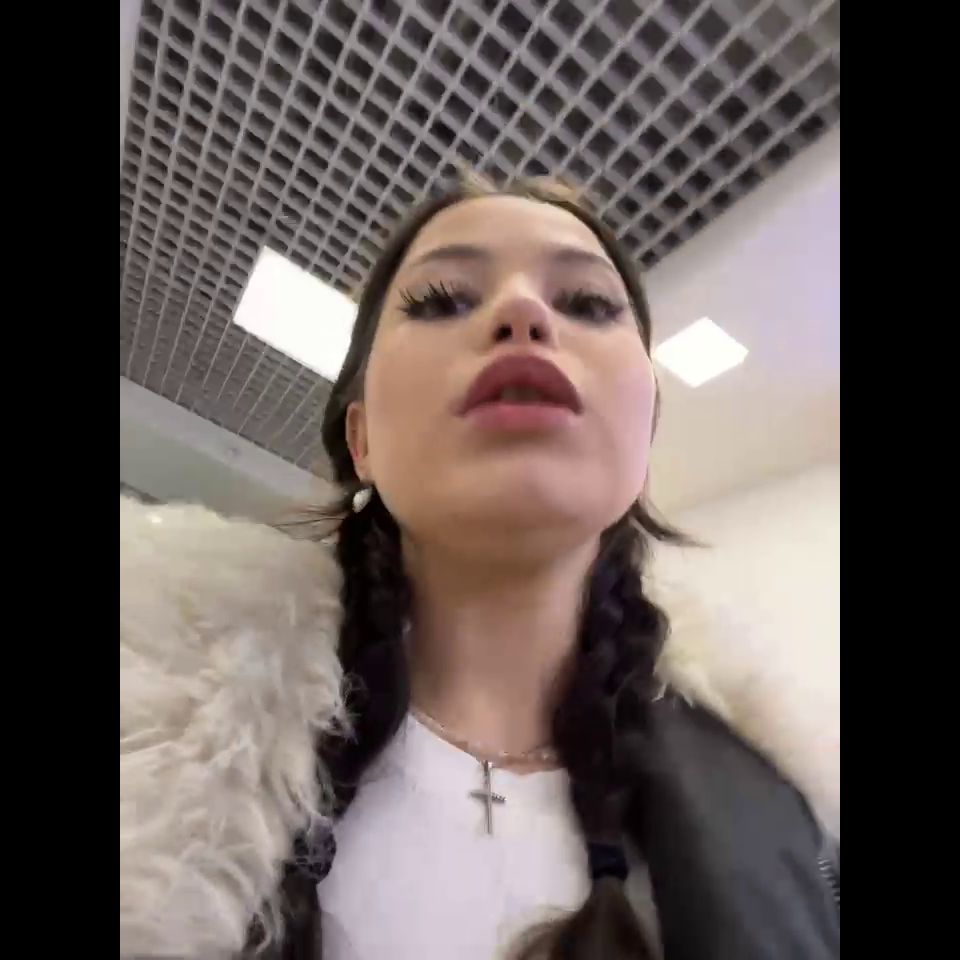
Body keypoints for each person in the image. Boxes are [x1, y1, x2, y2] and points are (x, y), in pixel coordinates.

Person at [120, 178, 839, 960]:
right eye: (440, 300)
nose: (522, 312)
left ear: (645, 431)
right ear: (361, 439)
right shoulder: (143, 747)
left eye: (588, 304)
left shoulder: (784, 811)